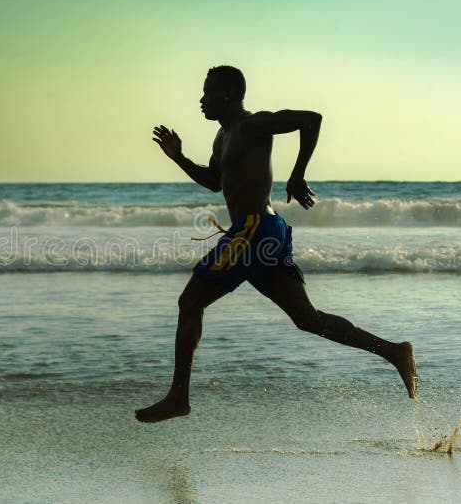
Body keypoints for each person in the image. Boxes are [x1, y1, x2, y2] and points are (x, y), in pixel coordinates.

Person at [135, 65, 418, 423]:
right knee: (307, 319)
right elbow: (213, 182)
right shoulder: (222, 138)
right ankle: (395, 352)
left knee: (190, 301)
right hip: (263, 231)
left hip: (255, 229)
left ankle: (179, 397)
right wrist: (178, 157)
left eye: (208, 93)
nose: (202, 100)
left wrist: (297, 173)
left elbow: (310, 119)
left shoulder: (251, 125)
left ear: (229, 95)